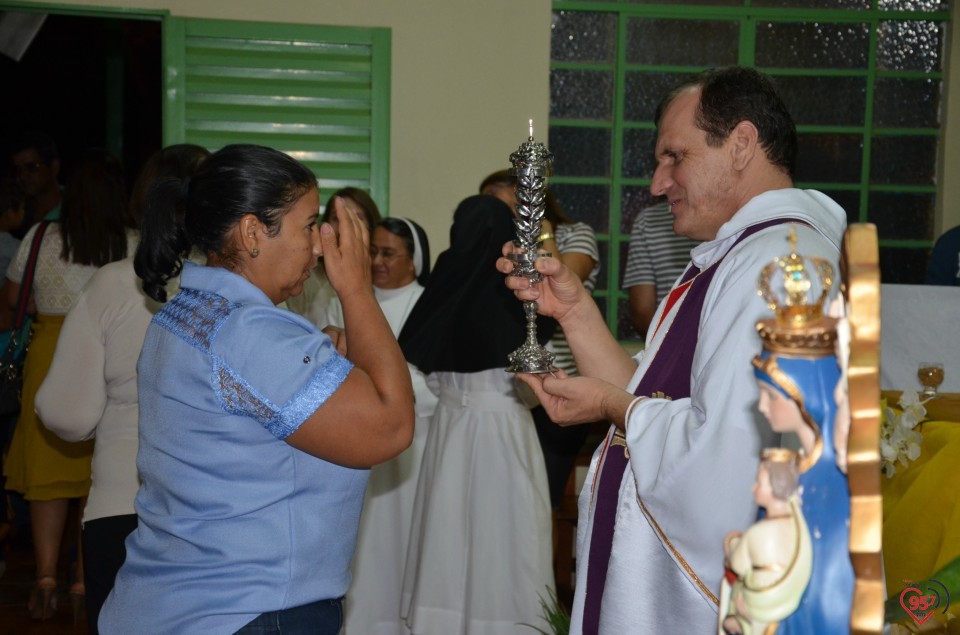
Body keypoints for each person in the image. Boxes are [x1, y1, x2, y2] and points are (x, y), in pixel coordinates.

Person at [497, 66, 847, 633]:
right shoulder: (738, 255)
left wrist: (610, 407)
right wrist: (573, 312)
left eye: (674, 157)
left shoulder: (781, 265)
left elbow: (724, 461)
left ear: (741, 144)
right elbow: (654, 397)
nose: (658, 184)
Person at [98, 144, 414, 634]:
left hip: (171, 599)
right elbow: (391, 426)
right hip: (248, 609)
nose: (317, 246)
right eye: (308, 225)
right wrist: (355, 289)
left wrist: (324, 358)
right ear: (251, 232)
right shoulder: (252, 335)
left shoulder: (180, 316)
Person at [33, 143, 210, 633]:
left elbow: (67, 414)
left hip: (122, 505)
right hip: (216, 517)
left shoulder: (114, 283)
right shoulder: (239, 291)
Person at [398, 194, 555, 635]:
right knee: (504, 540)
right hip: (502, 428)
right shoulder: (517, 292)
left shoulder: (444, 284)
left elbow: (422, 368)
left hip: (450, 430)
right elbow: (535, 384)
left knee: (447, 537)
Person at [3, 147, 138, 621]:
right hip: (114, 354)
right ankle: (84, 578)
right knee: (94, 475)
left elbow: (14, 300)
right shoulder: (132, 244)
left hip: (51, 353)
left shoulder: (40, 237)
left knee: (46, 476)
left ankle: (44, 578)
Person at [325, 216, 436, 635]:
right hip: (355, 442)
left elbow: (431, 385)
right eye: (372, 252)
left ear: (414, 260)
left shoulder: (428, 303)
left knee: (401, 546)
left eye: (388, 253)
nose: (376, 261)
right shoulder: (348, 301)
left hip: (413, 446)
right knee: (364, 549)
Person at [480, 169, 600, 517]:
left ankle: (543, 571)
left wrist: (541, 227)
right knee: (505, 500)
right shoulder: (502, 244)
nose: (491, 204)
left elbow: (561, 275)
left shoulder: (576, 233)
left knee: (541, 497)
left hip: (564, 380)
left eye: (497, 194)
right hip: (510, 386)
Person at [752, 307, 854, 633]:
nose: (761, 406)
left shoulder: (833, 481)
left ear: (802, 393)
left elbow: (830, 589)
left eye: (770, 395)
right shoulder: (794, 466)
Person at [719, 448, 812, 635]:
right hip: (787, 596)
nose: (753, 487)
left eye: (759, 483)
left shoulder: (758, 532)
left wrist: (731, 542)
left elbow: (738, 565)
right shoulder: (797, 523)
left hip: (762, 602)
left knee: (733, 585)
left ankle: (737, 621)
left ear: (775, 486)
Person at [286, 186, 382, 326]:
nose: (345, 224)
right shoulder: (304, 276)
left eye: (356, 218)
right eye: (337, 218)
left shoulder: (381, 277)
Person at [622, 198, 700, 338]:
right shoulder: (649, 221)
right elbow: (642, 310)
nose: (655, 188)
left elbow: (642, 310)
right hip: (669, 343)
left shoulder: (736, 218)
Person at [8, 131, 62, 238]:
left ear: (53, 167)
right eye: (17, 170)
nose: (22, 176)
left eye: (31, 167)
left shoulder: (76, 210)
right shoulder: (14, 215)